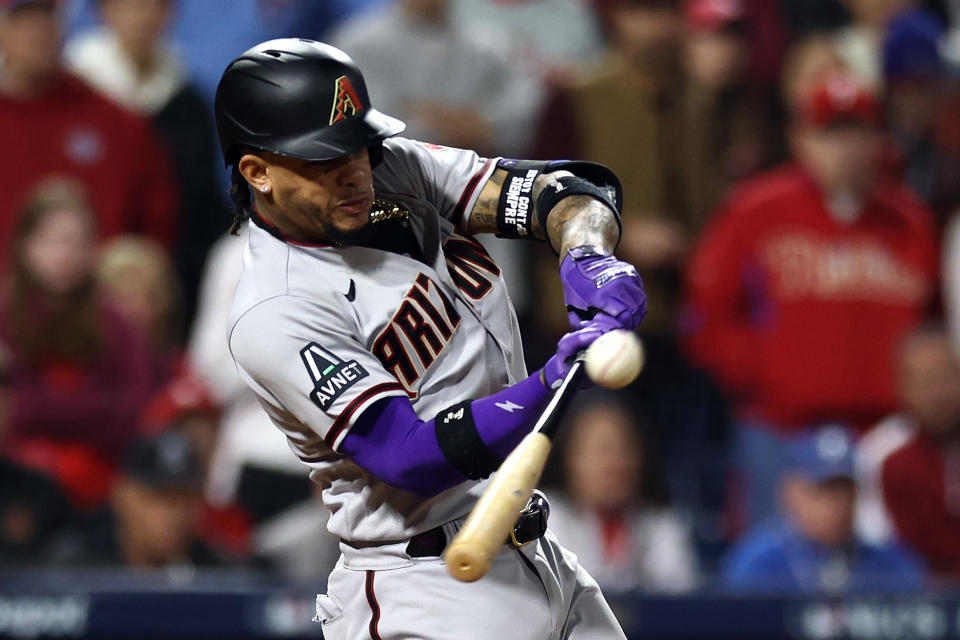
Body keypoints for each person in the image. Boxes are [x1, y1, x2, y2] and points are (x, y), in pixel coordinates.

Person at [215, 39, 645, 639]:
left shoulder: (393, 168)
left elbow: (565, 191)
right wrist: (549, 384)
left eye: (358, 145)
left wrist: (587, 251)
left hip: (536, 550)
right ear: (257, 172)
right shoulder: (275, 309)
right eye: (323, 158)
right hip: (429, 587)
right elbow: (408, 457)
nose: (355, 171)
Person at [683, 72, 938, 528]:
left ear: (880, 140)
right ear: (799, 138)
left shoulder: (911, 223)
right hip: (780, 431)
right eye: (829, 133)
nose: (845, 148)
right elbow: (706, 316)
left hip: (885, 437)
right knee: (768, 578)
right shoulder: (755, 211)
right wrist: (768, 372)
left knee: (890, 582)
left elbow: (931, 330)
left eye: (857, 131)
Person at [64, 0, 230, 325]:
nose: (141, 18)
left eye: (153, 6)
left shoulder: (187, 102)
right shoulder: (70, 96)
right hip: (76, 278)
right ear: (102, 12)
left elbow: (199, 199)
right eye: (128, 6)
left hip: (168, 282)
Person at [0, 178, 154, 510]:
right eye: (53, 241)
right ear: (25, 243)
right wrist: (84, 410)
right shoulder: (4, 317)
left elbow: (132, 412)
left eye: (77, 243)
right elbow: (10, 414)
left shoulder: (118, 325)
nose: (65, 255)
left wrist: (41, 410)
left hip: (103, 487)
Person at [0, 0, 178, 268]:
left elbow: (158, 221)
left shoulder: (115, 120)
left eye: (46, 18)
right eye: (23, 21)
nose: (37, 32)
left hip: (97, 302)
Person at [722, 425, 926, 593]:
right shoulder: (757, 564)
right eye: (821, 491)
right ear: (791, 493)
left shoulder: (890, 563)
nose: (835, 505)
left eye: (844, 490)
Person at [545, 393, 699, 593]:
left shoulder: (662, 527)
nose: (614, 465)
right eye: (601, 451)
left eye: (624, 449)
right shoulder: (545, 520)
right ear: (568, 459)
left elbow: (681, 605)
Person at [48, 429, 224, 568]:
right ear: (123, 496)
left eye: (186, 499)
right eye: (160, 498)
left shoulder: (216, 575)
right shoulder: (78, 569)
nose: (176, 515)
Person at [880, 325, 960, 579]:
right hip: (922, 598)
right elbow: (885, 553)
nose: (937, 394)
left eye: (945, 377)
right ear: (902, 389)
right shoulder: (886, 457)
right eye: (924, 382)